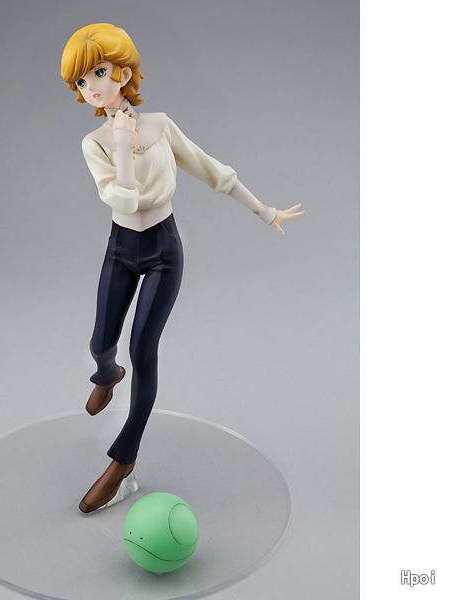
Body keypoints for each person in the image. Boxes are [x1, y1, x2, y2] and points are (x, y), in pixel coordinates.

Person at [60, 23, 304, 513]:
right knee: (100, 343)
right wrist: (122, 142)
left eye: (99, 73)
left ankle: (123, 461)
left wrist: (265, 211)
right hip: (121, 248)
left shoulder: (160, 126)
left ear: (122, 72)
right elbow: (123, 199)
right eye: (82, 82)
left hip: (163, 252)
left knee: (143, 349)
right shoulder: (95, 143)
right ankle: (107, 373)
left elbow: (212, 170)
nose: (92, 88)